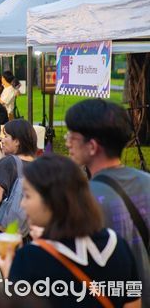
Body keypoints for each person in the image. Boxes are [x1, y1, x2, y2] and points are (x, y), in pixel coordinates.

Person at [0, 155, 141, 308]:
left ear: (52, 201)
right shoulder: (119, 247)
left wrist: (10, 276)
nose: (22, 204)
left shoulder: (29, 259)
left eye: (27, 195)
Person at [65, 99, 150, 306]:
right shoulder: (147, 181)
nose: (67, 142)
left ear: (92, 146)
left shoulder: (82, 199)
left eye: (72, 136)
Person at [0, 119, 37, 245]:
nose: (2, 140)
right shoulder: (40, 164)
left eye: (6, 136)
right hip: (31, 231)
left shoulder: (8, 162)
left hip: (9, 231)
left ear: (17, 141)